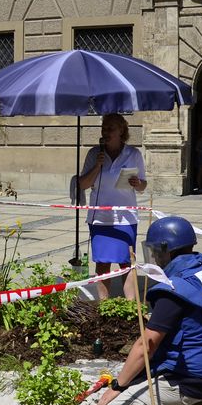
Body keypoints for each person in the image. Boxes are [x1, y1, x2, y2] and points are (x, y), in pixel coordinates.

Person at [83, 215, 202, 405]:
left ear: (167, 249)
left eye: (156, 251)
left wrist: (117, 386)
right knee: (132, 380)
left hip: (186, 380)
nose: (154, 257)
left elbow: (146, 346)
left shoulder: (175, 289)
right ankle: (198, 401)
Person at [79, 113, 147, 300]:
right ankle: (103, 307)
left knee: (126, 264)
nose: (106, 132)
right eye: (104, 128)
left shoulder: (133, 154)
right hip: (100, 218)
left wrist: (137, 183)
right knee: (102, 265)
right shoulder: (94, 154)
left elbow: (143, 186)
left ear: (121, 131)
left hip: (126, 218)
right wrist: (97, 166)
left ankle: (131, 308)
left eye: (111, 128)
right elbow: (83, 184)